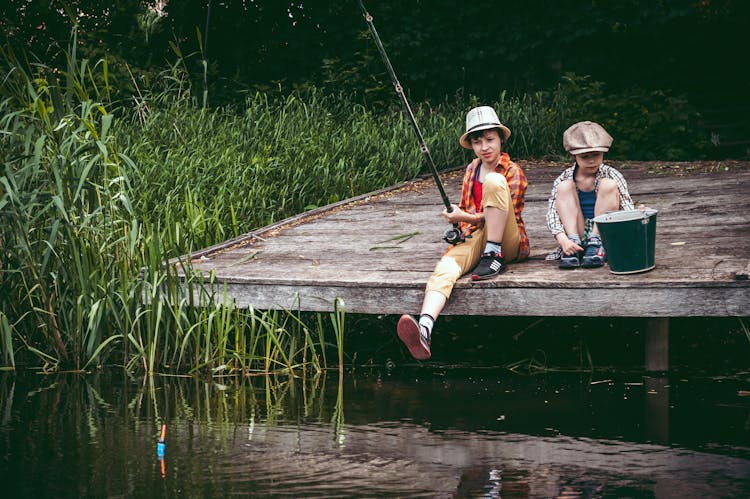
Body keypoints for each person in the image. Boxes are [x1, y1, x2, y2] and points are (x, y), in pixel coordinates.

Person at [396, 106, 529, 360]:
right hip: (478, 235)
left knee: (493, 182)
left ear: (501, 139)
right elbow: (470, 215)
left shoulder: (513, 171)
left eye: (490, 140)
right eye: (477, 142)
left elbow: (495, 214)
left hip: (508, 243)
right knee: (445, 268)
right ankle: (425, 328)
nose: (484, 147)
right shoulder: (471, 170)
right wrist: (459, 223)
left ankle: (494, 255)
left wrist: (463, 216)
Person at [545, 120, 634, 269]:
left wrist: (637, 216)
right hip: (577, 231)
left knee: (608, 184)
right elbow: (553, 213)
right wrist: (563, 240)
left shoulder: (612, 174)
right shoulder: (565, 177)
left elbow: (627, 207)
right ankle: (574, 245)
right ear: (574, 156)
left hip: (605, 233)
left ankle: (596, 242)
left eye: (596, 155)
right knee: (564, 187)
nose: (592, 160)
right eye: (585, 156)